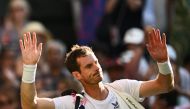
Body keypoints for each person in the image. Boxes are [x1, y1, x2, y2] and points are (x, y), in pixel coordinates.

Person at [20, 28, 174, 109]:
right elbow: (30, 105)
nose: (96, 67)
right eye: (88, 66)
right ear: (77, 75)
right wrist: (30, 66)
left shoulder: (123, 88)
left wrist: (163, 62)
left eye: (96, 62)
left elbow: (165, 85)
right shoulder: (73, 103)